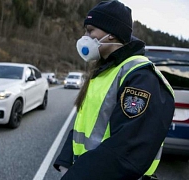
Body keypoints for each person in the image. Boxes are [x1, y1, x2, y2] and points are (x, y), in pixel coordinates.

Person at [53, 1, 175, 180]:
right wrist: (66, 161)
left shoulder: (140, 77)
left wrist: (76, 176)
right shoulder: (104, 71)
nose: (84, 37)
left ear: (111, 34)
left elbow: (128, 148)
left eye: (90, 30)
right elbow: (85, 123)